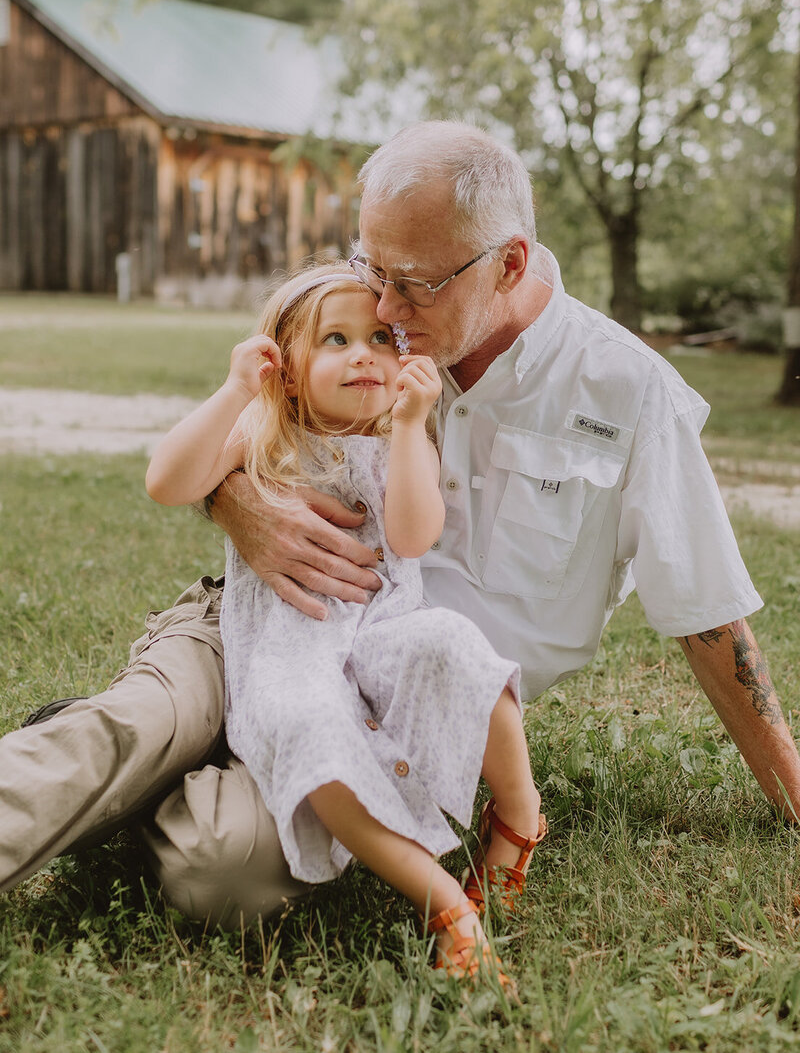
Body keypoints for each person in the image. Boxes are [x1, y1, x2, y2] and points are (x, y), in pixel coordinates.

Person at [2, 119, 799, 929]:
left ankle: (132, 789)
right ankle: (124, 751)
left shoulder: (630, 394)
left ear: (508, 263)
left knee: (221, 869)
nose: (382, 308)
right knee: (142, 724)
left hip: (400, 695)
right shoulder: (378, 329)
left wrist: (795, 802)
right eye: (369, 267)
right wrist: (237, 502)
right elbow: (248, 430)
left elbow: (708, 619)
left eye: (410, 285)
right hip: (264, 616)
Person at [143, 263, 545, 978]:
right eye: (336, 339)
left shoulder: (399, 435)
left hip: (385, 627)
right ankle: (441, 895)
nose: (365, 353)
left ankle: (518, 816)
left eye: (382, 339)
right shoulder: (263, 429)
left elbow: (415, 537)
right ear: (288, 370)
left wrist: (412, 424)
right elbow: (167, 481)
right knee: (306, 722)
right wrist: (237, 388)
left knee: (456, 644)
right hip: (291, 640)